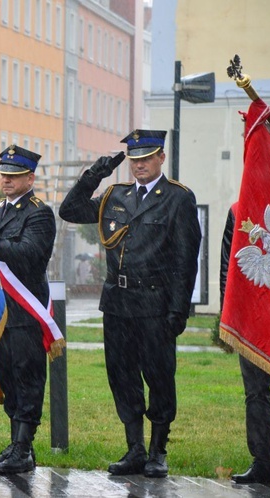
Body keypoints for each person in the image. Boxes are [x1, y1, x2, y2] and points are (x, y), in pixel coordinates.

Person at [59, 129, 201, 478]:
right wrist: (96, 174)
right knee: (122, 377)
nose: (140, 165)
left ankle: (158, 451)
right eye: (135, 160)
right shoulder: (115, 195)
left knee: (159, 378)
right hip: (118, 302)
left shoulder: (177, 198)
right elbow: (70, 210)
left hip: (155, 303)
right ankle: (134, 449)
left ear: (161, 158)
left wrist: (178, 310)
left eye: (147, 158)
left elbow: (186, 259)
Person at [0, 145, 56, 474]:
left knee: (28, 378)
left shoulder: (39, 212)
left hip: (26, 307)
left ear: (30, 178)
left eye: (14, 176)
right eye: (4, 175)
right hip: (1, 308)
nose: (7, 181)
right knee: (9, 379)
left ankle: (24, 447)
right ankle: (17, 445)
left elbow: (30, 254)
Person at [222, 203, 270, 487]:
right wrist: (229, 316)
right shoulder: (238, 210)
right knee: (255, 394)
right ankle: (262, 463)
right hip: (252, 316)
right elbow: (228, 267)